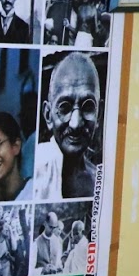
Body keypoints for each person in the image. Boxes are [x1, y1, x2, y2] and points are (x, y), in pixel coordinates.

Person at [37, 53, 102, 200]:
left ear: (99, 114)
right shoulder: (37, 170)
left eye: (87, 107)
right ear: (48, 115)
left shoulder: (100, 180)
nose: (76, 124)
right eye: (65, 108)